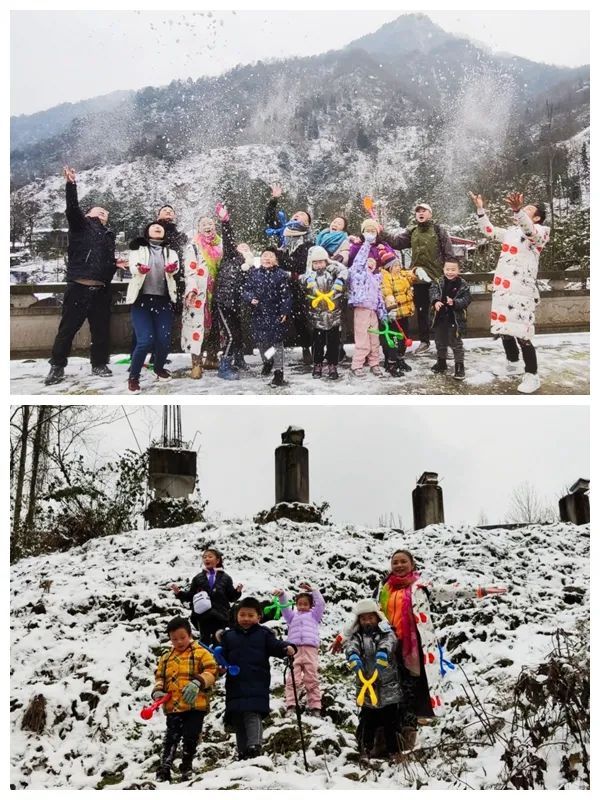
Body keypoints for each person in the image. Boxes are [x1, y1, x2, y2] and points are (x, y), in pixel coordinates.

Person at [377, 549, 507, 750]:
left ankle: (406, 738)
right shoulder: (384, 588)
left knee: (409, 692)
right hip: (387, 647)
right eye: (395, 562)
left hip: (413, 649)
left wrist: (479, 591)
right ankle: (386, 737)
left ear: (412, 564)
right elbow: (372, 612)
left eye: (404, 561)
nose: (399, 565)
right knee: (388, 691)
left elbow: (449, 592)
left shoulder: (420, 587)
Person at [44, 166, 127, 386]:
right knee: (68, 329)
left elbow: (105, 267)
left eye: (106, 213)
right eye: (99, 210)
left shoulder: (108, 236)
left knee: (101, 331)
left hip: (101, 289)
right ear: (88, 214)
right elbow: (72, 208)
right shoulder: (81, 225)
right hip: (78, 287)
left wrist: (114, 265)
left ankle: (99, 364)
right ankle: (57, 366)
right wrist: (71, 185)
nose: (103, 213)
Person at [469, 191, 550, 394]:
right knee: (504, 329)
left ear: (537, 217)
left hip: (522, 291)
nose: (524, 210)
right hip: (503, 288)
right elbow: (488, 230)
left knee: (522, 333)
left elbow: (530, 232)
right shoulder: (511, 232)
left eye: (528, 209)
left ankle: (532, 375)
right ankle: (513, 364)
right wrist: (480, 209)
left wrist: (517, 210)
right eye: (524, 208)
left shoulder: (541, 231)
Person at [219, 597, 296, 760]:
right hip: (235, 684)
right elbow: (221, 657)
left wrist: (286, 648)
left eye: (250, 615)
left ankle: (255, 746)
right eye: (242, 615)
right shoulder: (229, 636)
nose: (246, 618)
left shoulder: (264, 634)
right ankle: (242, 751)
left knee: (252, 714)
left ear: (258, 617)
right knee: (238, 717)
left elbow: (275, 645)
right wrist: (218, 667)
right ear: (236, 616)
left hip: (257, 683)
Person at [380, 203, 455, 355]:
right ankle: (424, 342)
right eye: (418, 211)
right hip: (418, 278)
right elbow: (397, 243)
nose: (420, 213)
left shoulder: (438, 230)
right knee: (422, 311)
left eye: (424, 211)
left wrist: (450, 274)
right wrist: (383, 232)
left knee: (441, 311)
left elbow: (449, 253)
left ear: (430, 214)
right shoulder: (412, 231)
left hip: (437, 278)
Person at [151, 616, 219, 782]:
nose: (179, 641)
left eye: (182, 637)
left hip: (195, 705)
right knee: (171, 737)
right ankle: (164, 767)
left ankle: (186, 765)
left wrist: (198, 682)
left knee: (191, 736)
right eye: (174, 639)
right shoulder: (166, 658)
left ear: (190, 635)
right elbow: (159, 677)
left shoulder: (201, 653)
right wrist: (158, 691)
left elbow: (212, 671)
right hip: (173, 706)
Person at [125, 222, 179, 394]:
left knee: (164, 339)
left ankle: (158, 369)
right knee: (145, 340)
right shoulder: (138, 250)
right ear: (147, 231)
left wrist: (172, 270)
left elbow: (175, 269)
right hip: (141, 301)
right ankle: (133, 377)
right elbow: (133, 267)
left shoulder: (171, 252)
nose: (158, 228)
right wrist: (140, 269)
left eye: (160, 228)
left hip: (163, 301)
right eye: (154, 226)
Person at [344, 599, 402, 760]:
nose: (367, 621)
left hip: (387, 683)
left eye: (370, 618)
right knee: (368, 719)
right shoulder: (358, 636)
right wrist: (353, 656)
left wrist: (383, 652)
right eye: (363, 619)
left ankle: (394, 751)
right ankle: (366, 749)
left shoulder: (385, 632)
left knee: (390, 721)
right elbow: (351, 645)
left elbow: (390, 641)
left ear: (377, 618)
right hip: (366, 684)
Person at [265, 183, 313, 365]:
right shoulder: (282, 235)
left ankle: (306, 348)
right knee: (277, 320)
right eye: (296, 213)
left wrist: (286, 266)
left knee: (301, 318)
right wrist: (274, 199)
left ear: (307, 224)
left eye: (302, 216)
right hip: (280, 284)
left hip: (298, 285)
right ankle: (272, 356)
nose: (297, 215)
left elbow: (302, 264)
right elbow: (270, 218)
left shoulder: (308, 242)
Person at [213, 203, 254, 380]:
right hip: (224, 302)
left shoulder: (250, 267)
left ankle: (238, 360)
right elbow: (229, 240)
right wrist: (225, 222)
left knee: (238, 334)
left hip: (238, 304)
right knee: (230, 335)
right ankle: (224, 367)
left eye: (247, 247)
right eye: (241, 246)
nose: (243, 248)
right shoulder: (231, 257)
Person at [170, 548, 243, 646]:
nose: (206, 559)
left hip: (220, 614)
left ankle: (218, 660)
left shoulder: (226, 578)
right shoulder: (198, 578)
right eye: (204, 557)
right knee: (204, 641)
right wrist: (179, 593)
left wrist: (237, 592)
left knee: (219, 640)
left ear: (217, 560)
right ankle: (205, 660)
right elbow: (192, 595)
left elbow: (231, 597)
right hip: (203, 615)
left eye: (210, 556)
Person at [181, 212, 223, 379]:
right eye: (204, 224)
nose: (208, 226)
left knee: (215, 327)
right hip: (199, 293)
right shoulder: (194, 247)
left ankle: (212, 358)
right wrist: (191, 289)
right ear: (198, 228)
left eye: (211, 223)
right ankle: (196, 363)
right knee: (196, 327)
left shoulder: (220, 246)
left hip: (217, 292)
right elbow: (189, 271)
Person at [242, 248, 292, 388]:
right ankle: (268, 362)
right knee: (262, 343)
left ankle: (278, 372)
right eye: (264, 256)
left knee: (277, 344)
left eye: (271, 256)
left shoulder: (281, 275)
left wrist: (284, 311)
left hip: (275, 314)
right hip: (258, 314)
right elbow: (246, 290)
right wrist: (250, 298)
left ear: (275, 260)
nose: (267, 258)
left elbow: (286, 296)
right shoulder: (254, 274)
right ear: (260, 259)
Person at [273, 582, 325, 717]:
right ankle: (291, 705)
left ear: (310, 605)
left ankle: (315, 707)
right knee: (292, 679)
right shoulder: (292, 617)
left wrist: (313, 590)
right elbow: (284, 609)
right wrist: (282, 595)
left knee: (311, 678)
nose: (302, 606)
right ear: (296, 604)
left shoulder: (314, 616)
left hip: (310, 650)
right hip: (294, 650)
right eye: (299, 604)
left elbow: (321, 604)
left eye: (305, 604)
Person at [299, 245, 348, 380]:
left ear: (326, 261)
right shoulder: (309, 275)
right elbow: (301, 280)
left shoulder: (332, 272)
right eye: (315, 262)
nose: (318, 265)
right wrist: (307, 280)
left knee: (333, 343)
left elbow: (345, 272)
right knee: (317, 343)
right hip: (317, 315)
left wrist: (339, 281)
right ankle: (317, 364)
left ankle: (332, 364)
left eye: (321, 261)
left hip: (333, 314)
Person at [380, 252, 428, 376]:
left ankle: (400, 359)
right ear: (389, 267)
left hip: (404, 314)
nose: (398, 267)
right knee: (393, 340)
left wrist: (417, 271)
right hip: (393, 315)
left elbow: (410, 274)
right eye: (395, 265)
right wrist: (391, 308)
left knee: (404, 338)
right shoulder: (386, 278)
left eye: (399, 265)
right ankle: (391, 363)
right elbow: (387, 292)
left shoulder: (402, 275)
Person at [347, 232, 387, 377]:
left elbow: (380, 298)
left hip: (373, 312)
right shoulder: (358, 273)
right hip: (361, 309)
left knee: (374, 339)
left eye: (373, 262)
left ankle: (374, 363)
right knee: (362, 338)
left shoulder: (376, 279)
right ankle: (357, 365)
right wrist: (367, 244)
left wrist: (383, 313)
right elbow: (359, 261)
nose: (370, 263)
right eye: (368, 261)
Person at [429, 259, 472, 381]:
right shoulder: (438, 281)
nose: (450, 272)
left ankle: (459, 366)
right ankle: (441, 362)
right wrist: (436, 301)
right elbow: (432, 291)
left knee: (456, 343)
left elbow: (467, 299)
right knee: (440, 341)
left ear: (458, 270)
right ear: (443, 269)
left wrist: (454, 303)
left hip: (455, 319)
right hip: (440, 318)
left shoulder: (463, 285)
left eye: (453, 270)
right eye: (447, 269)